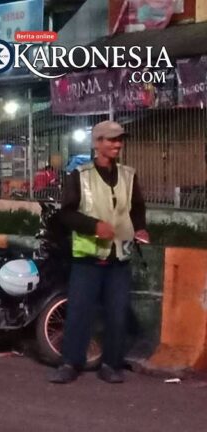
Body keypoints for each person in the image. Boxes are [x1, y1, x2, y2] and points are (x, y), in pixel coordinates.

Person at [50, 120, 149, 385]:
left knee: (117, 314)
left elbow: (137, 208)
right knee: (79, 313)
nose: (117, 144)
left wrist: (140, 229)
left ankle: (111, 364)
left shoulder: (129, 175)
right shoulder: (80, 175)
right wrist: (94, 226)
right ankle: (70, 363)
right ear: (97, 143)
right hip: (88, 257)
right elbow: (66, 214)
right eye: (111, 140)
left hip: (120, 256)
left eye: (119, 140)